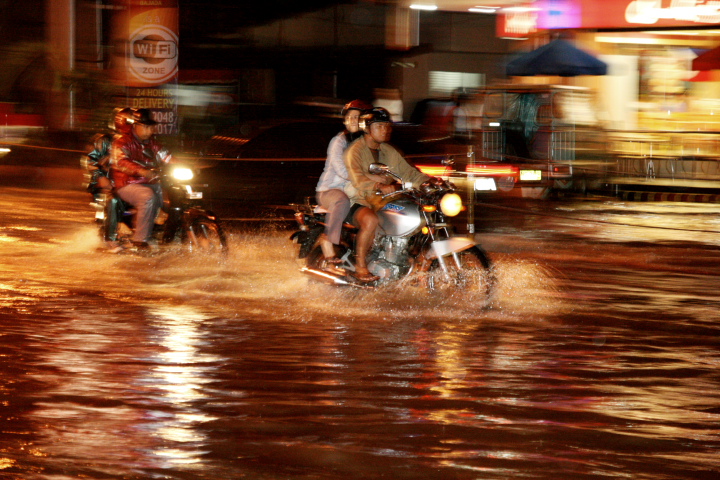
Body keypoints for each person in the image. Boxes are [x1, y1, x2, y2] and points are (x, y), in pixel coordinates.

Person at [344, 107, 434, 282]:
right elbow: (357, 179)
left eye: (387, 126)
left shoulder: (387, 150)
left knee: (414, 212)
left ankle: (400, 258)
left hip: (380, 200)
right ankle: (361, 267)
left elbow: (408, 173)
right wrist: (377, 185)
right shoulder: (354, 151)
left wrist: (430, 182)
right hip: (355, 198)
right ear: (367, 128)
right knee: (371, 220)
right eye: (380, 126)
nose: (385, 130)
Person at [315, 99, 372, 266]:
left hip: (357, 191)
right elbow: (341, 170)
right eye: (350, 117)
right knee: (341, 200)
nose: (353, 120)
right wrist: (366, 178)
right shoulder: (339, 141)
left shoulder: (366, 143)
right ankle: (328, 241)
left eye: (357, 117)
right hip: (330, 191)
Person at [110, 108, 169, 250]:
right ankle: (140, 240)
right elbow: (121, 161)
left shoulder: (153, 144)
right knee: (147, 197)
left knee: (174, 195)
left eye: (151, 127)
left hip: (152, 182)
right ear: (135, 126)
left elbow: (167, 157)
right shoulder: (123, 142)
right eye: (146, 127)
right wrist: (142, 171)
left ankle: (167, 231)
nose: (150, 131)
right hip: (127, 184)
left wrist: (188, 166)